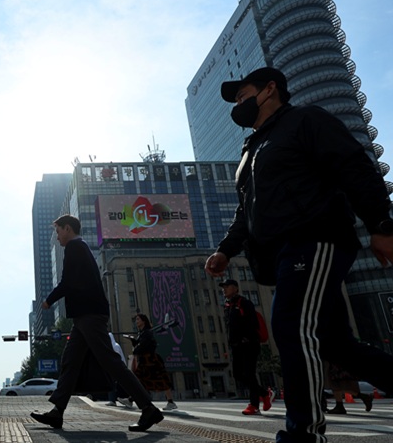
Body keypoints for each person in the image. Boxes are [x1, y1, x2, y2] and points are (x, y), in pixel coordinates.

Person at [205, 66, 393, 442]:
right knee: (336, 343)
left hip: (314, 238)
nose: (238, 106)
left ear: (270, 89)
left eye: (243, 97)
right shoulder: (252, 148)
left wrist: (381, 225)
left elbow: (353, 166)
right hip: (282, 252)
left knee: (291, 326)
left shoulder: (305, 120)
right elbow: (248, 210)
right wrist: (226, 249)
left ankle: (303, 434)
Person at [30, 215, 163, 432]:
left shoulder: (74, 247)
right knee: (70, 361)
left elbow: (67, 282)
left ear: (67, 228)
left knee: (111, 361)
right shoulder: (78, 248)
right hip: (84, 316)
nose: (57, 236)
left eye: (58, 231)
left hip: (90, 315)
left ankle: (148, 408)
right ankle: (57, 412)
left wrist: (49, 300)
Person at [220, 280, 273, 415]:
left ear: (236, 288)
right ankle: (264, 393)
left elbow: (252, 323)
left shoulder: (243, 303)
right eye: (223, 288)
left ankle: (254, 405)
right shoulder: (227, 306)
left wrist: (246, 338)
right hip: (236, 346)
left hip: (249, 344)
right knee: (238, 374)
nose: (224, 289)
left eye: (227, 287)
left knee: (250, 373)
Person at [125, 314, 177, 411]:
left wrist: (136, 347)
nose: (136, 321)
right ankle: (130, 399)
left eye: (138, 319)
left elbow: (143, 346)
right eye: (136, 319)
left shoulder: (147, 333)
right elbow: (139, 345)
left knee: (161, 380)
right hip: (146, 359)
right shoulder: (143, 333)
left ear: (143, 321)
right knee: (139, 380)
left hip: (151, 359)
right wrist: (133, 341)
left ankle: (170, 402)